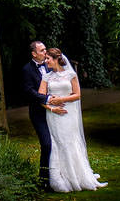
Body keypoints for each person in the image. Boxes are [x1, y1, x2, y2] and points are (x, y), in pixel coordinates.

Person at [39, 47, 107, 192]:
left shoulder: (71, 74)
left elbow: (77, 95)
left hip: (68, 113)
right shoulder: (46, 77)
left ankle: (78, 175)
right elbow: (41, 97)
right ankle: (60, 179)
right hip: (54, 114)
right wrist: (52, 107)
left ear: (56, 59)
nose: (46, 61)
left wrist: (61, 99)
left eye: (48, 59)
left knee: (70, 141)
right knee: (58, 143)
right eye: (45, 59)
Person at [21, 40, 65, 189]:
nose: (45, 53)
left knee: (60, 143)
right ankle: (43, 179)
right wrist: (46, 99)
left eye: (45, 49)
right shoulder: (27, 70)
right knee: (46, 144)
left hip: (55, 113)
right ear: (34, 54)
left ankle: (62, 175)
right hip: (39, 113)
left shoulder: (50, 64)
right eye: (42, 50)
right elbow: (28, 92)